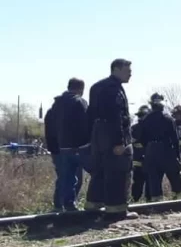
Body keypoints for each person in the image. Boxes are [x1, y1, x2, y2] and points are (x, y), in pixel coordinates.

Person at [84, 58, 138, 221]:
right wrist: (119, 142)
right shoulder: (114, 89)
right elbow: (116, 116)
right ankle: (116, 211)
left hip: (98, 134)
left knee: (99, 171)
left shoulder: (97, 86)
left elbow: (91, 114)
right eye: (127, 71)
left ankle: (93, 206)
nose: (130, 74)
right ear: (116, 69)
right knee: (118, 172)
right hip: (112, 133)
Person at [137, 93, 181, 201]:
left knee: (154, 181)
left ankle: (157, 206)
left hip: (151, 153)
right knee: (176, 177)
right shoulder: (168, 119)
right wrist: (178, 156)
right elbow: (175, 140)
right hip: (166, 151)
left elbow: (141, 139)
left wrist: (149, 149)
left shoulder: (145, 120)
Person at [47, 78, 89, 211]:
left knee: (64, 177)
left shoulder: (54, 106)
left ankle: (59, 205)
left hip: (59, 148)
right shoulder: (79, 102)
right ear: (81, 89)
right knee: (76, 178)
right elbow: (86, 124)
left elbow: (50, 129)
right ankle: (71, 205)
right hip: (77, 147)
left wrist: (53, 148)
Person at [43, 99, 62, 212]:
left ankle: (59, 205)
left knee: (62, 176)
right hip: (64, 148)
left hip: (54, 149)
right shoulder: (62, 112)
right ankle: (64, 204)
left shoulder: (50, 112)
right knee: (69, 177)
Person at [131, 105, 152, 202]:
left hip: (141, 159)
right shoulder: (135, 128)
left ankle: (137, 200)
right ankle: (144, 200)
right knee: (143, 182)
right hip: (141, 160)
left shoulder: (134, 128)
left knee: (143, 182)